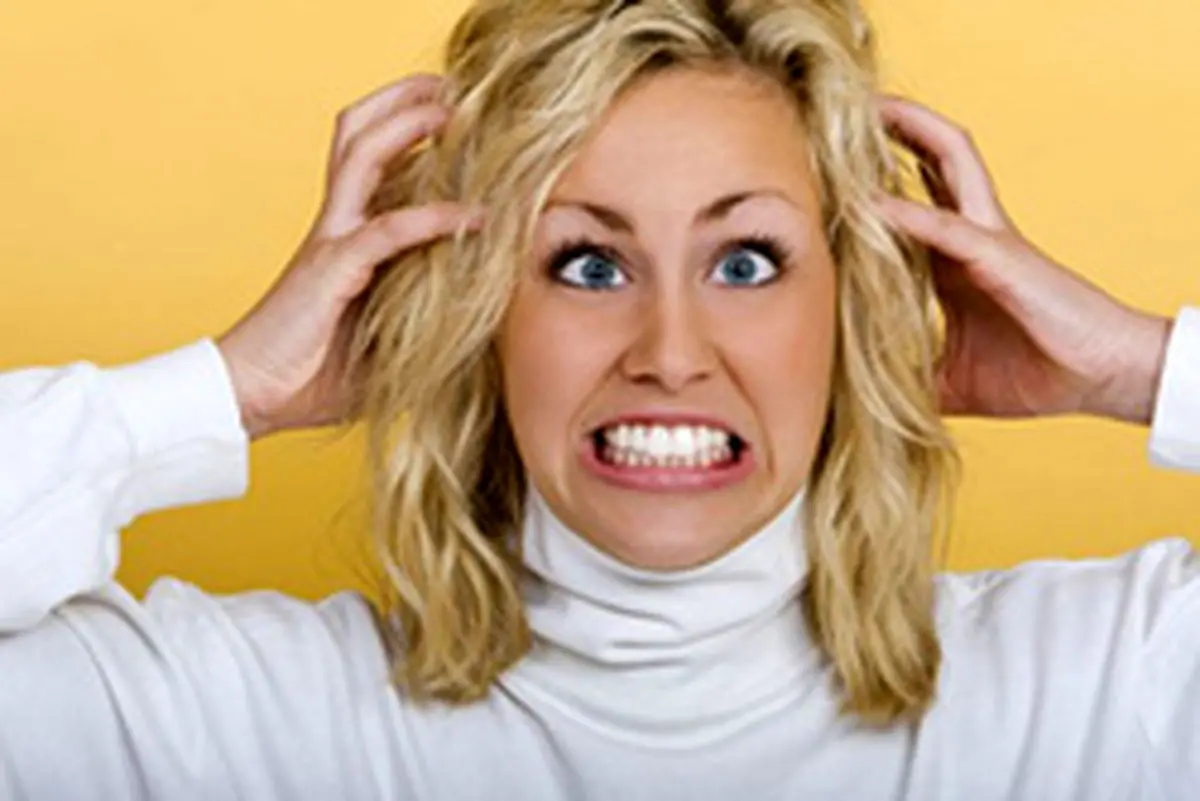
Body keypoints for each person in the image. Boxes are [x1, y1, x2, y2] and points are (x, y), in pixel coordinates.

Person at [1, 0, 1197, 798]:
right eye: (588, 264)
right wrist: (222, 395)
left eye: (745, 264)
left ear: (852, 312)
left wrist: (1135, 365)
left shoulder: (1101, 691)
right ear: (480, 313)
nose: (670, 353)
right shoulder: (229, 723)